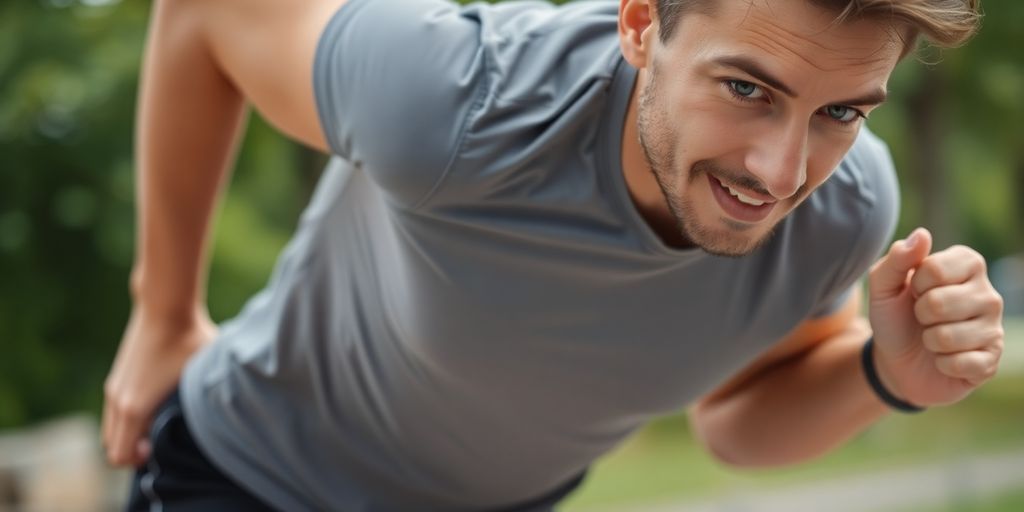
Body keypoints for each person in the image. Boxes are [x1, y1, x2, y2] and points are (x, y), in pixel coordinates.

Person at [103, 0, 1006, 510]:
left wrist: (889, 378)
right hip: (252, 481)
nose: (781, 170)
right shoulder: (454, 104)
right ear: (643, 24)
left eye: (842, 112)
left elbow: (734, 424)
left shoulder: (842, 212)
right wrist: (164, 309)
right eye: (745, 88)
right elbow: (204, 14)